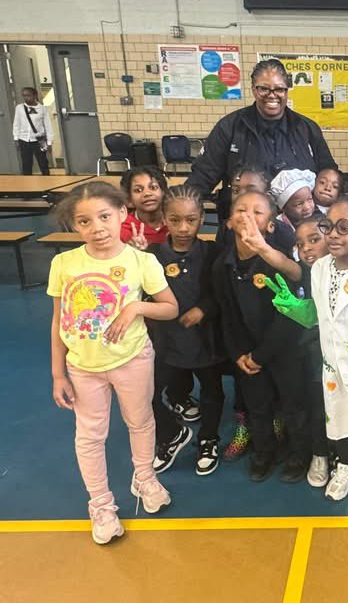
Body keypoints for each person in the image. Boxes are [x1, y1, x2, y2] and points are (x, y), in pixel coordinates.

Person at [47, 181, 179, 545]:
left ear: (123, 213)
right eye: (85, 221)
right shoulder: (64, 264)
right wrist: (58, 372)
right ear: (75, 226)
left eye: (105, 216)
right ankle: (101, 505)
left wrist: (136, 306)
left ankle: (145, 479)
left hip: (132, 359)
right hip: (83, 367)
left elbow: (171, 308)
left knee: (140, 422)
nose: (97, 228)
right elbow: (59, 320)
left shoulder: (142, 261)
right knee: (90, 436)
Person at [267, 185, 348, 519]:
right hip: (332, 364)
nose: (334, 235)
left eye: (345, 228)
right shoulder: (322, 268)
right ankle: (347, 464)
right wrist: (296, 309)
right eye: (328, 226)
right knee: (336, 419)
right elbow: (320, 315)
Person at [211, 190, 310, 483]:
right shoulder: (222, 267)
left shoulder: (275, 262)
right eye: (241, 210)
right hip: (247, 354)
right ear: (229, 222)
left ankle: (299, 455)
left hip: (284, 351)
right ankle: (263, 454)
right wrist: (240, 353)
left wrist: (261, 355)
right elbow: (226, 315)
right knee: (258, 407)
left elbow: (289, 316)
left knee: (293, 406)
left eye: (258, 212)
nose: (247, 216)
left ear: (270, 225)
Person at [186, 58, 337, 219]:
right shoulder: (229, 128)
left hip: (300, 230)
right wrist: (180, 206)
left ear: (286, 91)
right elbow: (202, 177)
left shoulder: (306, 129)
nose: (272, 95)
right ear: (253, 89)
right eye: (264, 89)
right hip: (244, 225)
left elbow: (329, 174)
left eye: (279, 89)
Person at [148, 186, 224, 477]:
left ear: (202, 218)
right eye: (175, 219)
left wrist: (204, 308)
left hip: (207, 342)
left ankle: (208, 439)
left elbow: (224, 292)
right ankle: (172, 433)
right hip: (167, 343)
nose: (183, 228)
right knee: (150, 394)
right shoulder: (151, 255)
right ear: (164, 218)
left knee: (212, 393)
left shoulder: (213, 252)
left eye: (191, 220)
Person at [293, 214, 332, 487]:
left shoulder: (340, 271)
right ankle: (320, 454)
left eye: (314, 240)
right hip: (312, 356)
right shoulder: (297, 273)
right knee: (318, 406)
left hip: (343, 354)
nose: (306, 247)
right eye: (300, 243)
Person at [119, 166, 170, 249]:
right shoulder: (122, 229)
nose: (147, 193)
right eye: (138, 190)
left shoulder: (175, 222)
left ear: (163, 192)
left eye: (153, 187)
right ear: (129, 200)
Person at [12, 86, 53, 175]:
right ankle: (27, 183)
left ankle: (47, 180)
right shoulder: (19, 108)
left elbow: (48, 126)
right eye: (24, 96)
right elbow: (16, 123)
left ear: (35, 95)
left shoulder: (42, 109)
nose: (26, 98)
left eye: (28, 95)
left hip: (40, 139)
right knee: (26, 163)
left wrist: (49, 142)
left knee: (43, 162)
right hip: (24, 139)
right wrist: (16, 138)